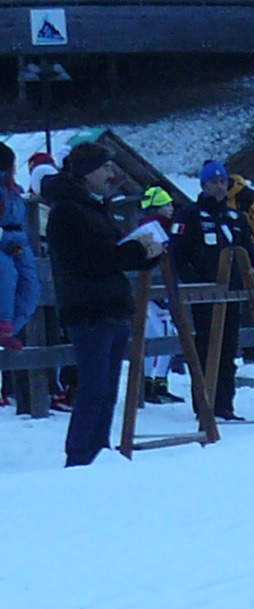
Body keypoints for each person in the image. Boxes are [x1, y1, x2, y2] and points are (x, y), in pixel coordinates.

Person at [41, 142, 163, 465]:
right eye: (105, 167)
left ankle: (98, 454)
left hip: (111, 305)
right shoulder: (67, 211)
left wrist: (147, 254)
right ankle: (80, 458)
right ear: (86, 172)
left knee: (106, 391)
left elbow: (114, 255)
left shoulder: (92, 207)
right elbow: (93, 260)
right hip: (89, 309)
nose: (111, 174)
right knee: (94, 389)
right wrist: (135, 250)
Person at [172, 159, 254, 422]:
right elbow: (177, 254)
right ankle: (204, 404)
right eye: (213, 182)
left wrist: (250, 280)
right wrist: (195, 284)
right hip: (204, 294)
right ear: (203, 185)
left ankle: (225, 404)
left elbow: (249, 253)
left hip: (232, 293)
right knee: (206, 347)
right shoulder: (189, 215)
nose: (219, 187)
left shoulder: (236, 218)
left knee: (229, 348)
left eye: (223, 182)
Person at [136, 186, 179, 403]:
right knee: (164, 335)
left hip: (154, 290)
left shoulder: (149, 228)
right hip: (157, 290)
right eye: (167, 205)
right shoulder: (156, 230)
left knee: (154, 336)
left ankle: (149, 384)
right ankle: (156, 385)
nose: (171, 208)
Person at [0, 143, 40, 352]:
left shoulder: (12, 189)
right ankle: (4, 324)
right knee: (6, 273)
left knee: (30, 285)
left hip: (18, 241)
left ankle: (11, 328)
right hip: (5, 241)